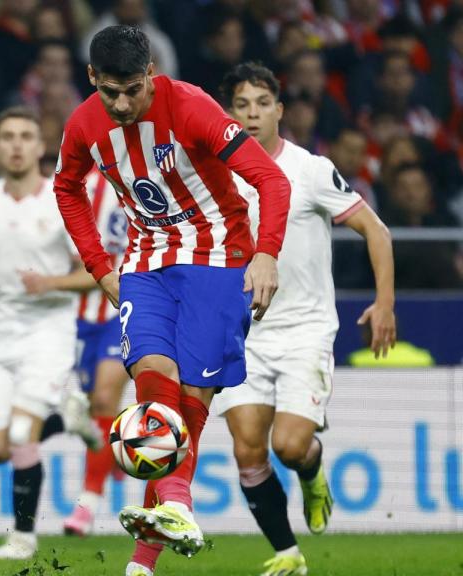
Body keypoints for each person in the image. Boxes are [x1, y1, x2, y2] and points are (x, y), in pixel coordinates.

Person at [53, 25, 292, 576]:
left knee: (188, 398)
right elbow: (66, 187)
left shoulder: (191, 107)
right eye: (109, 90)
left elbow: (271, 181)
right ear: (92, 78)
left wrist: (267, 254)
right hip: (144, 262)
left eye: (132, 90)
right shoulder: (84, 122)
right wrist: (97, 262)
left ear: (151, 75)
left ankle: (144, 561)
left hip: (219, 257)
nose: (120, 103)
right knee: (152, 384)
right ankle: (178, 507)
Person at [213, 62, 397, 576]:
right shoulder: (211, 171)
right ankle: (288, 554)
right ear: (227, 114)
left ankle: (312, 472)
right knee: (248, 450)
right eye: (241, 105)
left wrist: (384, 304)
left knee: (289, 446)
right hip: (240, 334)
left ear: (280, 110)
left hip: (304, 330)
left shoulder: (309, 169)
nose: (252, 114)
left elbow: (377, 231)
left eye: (262, 103)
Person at [0, 106, 98, 560]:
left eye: (25, 136)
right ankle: (69, 420)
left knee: (19, 433)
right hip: (0, 335)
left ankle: (23, 538)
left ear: (39, 145)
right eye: (7, 135)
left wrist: (50, 283)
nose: (15, 144)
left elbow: (96, 270)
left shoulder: (62, 199)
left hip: (49, 332)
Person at [18, 168, 132, 537]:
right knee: (91, 411)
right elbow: (68, 261)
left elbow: (109, 268)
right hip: (81, 317)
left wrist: (48, 283)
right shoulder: (71, 190)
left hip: (124, 307)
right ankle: (117, 442)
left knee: (102, 397)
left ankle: (86, 505)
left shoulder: (137, 183)